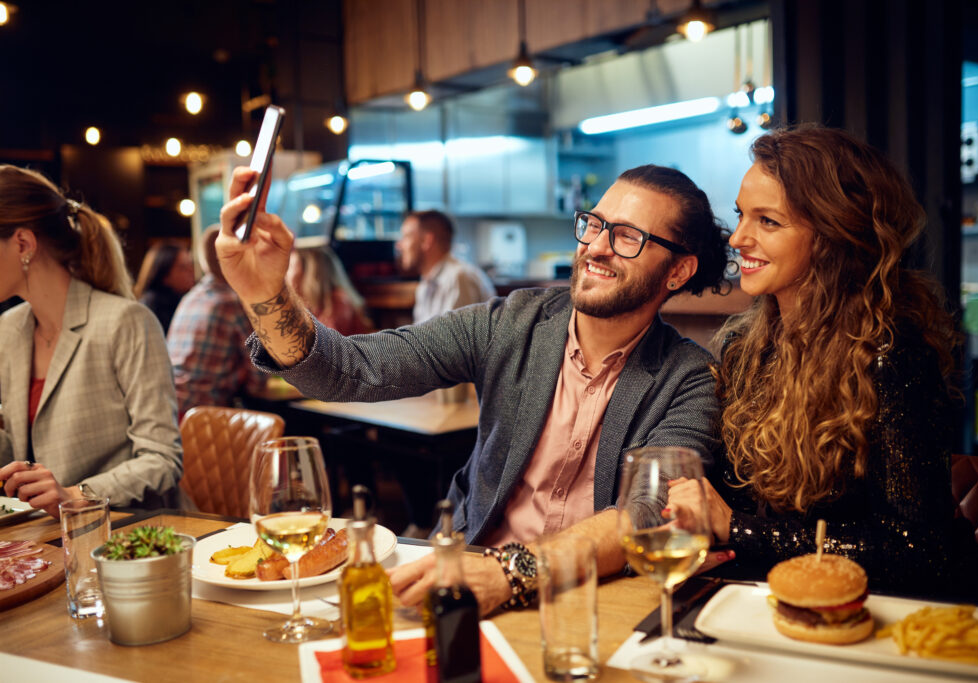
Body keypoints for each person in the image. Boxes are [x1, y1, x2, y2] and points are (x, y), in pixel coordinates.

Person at [216, 163, 731, 613]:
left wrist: (511, 572)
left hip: (594, 595)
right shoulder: (509, 324)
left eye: (627, 236)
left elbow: (647, 514)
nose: (595, 247)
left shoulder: (687, 377)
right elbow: (352, 369)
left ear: (678, 270)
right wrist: (265, 293)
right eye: (593, 224)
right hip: (468, 575)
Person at [667, 125, 978, 602]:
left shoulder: (891, 355)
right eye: (741, 215)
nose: (738, 237)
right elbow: (730, 499)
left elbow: (916, 550)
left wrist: (735, 528)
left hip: (896, 617)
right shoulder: (744, 345)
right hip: (773, 601)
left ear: (833, 234)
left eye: (768, 222)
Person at [0, 165, 183, 517]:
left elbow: (162, 460)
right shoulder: (9, 329)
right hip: (45, 538)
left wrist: (74, 495)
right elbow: (13, 455)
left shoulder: (126, 322)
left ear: (23, 244)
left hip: (126, 539)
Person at [166, 226, 267, 418]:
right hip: (204, 416)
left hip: (171, 408)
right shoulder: (233, 301)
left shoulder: (191, 297)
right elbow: (259, 374)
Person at [395, 210, 496, 323]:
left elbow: (455, 339)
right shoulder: (426, 284)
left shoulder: (459, 277)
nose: (399, 245)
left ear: (426, 241)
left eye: (406, 236)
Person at [288, 245, 374, 335]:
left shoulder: (338, 301)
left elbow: (327, 345)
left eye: (290, 266)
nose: (285, 273)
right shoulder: (308, 303)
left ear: (310, 273)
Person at [134, 242, 195, 333]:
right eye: (183, 267)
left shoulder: (185, 298)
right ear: (164, 274)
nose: (191, 272)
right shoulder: (153, 304)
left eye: (191, 265)